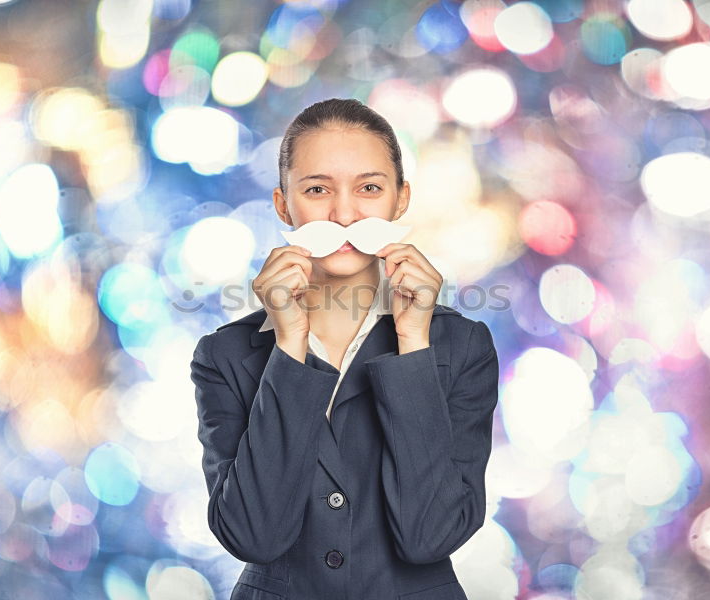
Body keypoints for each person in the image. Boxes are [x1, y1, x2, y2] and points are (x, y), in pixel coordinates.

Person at [190, 97, 500, 599]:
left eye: (370, 189)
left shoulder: (460, 347)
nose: (344, 214)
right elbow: (253, 535)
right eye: (317, 190)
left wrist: (414, 344)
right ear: (283, 204)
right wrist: (289, 345)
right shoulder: (224, 356)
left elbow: (430, 537)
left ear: (400, 201)